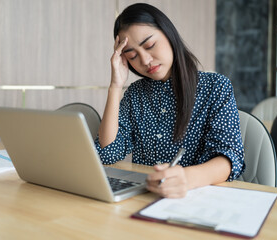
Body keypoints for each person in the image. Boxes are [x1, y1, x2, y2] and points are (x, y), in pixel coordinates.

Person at [94, 3, 245, 198]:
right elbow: (107, 153)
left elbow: (229, 158)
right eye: (132, 56)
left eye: (150, 45)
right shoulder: (134, 94)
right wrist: (115, 85)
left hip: (198, 198)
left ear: (168, 34)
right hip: (148, 197)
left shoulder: (216, 86)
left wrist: (186, 178)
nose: (146, 60)